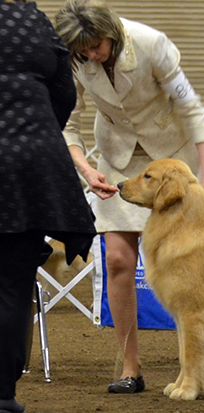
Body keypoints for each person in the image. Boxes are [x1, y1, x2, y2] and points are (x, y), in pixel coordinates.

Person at [55, 0, 204, 394]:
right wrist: (86, 168)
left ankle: (193, 369)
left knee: (189, 272)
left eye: (97, 46)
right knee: (117, 260)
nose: (92, 55)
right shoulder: (75, 58)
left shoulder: (150, 43)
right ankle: (131, 367)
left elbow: (190, 105)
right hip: (115, 159)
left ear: (112, 32)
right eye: (84, 51)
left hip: (171, 161)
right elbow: (69, 121)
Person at [0, 0, 97, 412]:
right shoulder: (30, 18)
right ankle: (2, 395)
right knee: (11, 286)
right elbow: (62, 95)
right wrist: (32, 130)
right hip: (29, 170)